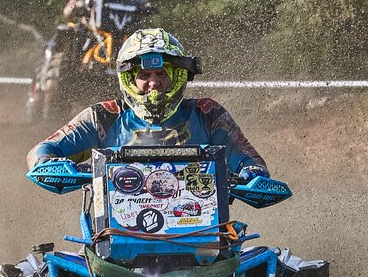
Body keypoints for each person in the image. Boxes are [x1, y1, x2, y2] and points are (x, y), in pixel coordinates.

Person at [27, 28, 269, 182]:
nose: (154, 83)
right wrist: (50, 163)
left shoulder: (207, 114)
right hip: (114, 237)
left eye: (162, 74)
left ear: (177, 76)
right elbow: (40, 151)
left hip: (204, 237)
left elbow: (251, 162)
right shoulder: (104, 116)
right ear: (129, 79)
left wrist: (252, 174)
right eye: (144, 75)